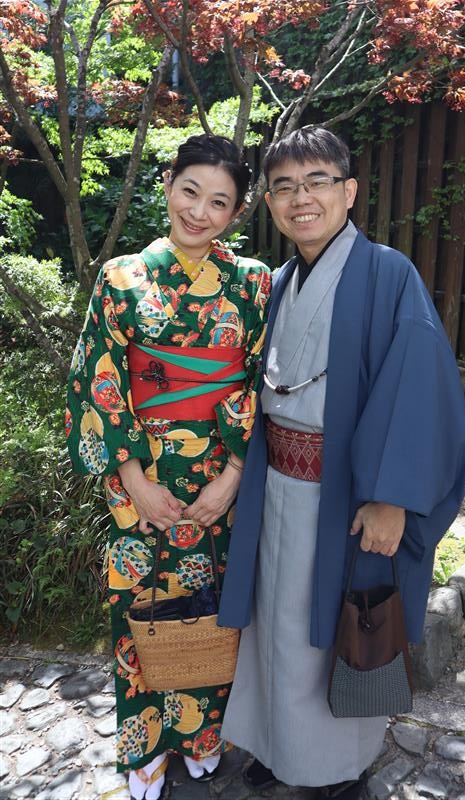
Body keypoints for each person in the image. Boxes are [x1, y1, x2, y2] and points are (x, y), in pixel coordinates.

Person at [218, 126, 465, 800]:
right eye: (283, 187)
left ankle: (338, 768)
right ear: (269, 202)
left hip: (346, 496)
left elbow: (420, 388)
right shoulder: (276, 283)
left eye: (317, 182)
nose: (300, 198)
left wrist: (393, 498)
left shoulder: (388, 274)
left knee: (334, 627)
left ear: (349, 190)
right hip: (274, 482)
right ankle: (277, 744)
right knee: (274, 625)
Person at [65, 134, 270, 800]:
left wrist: (233, 476)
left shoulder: (253, 282)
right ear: (167, 184)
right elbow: (98, 378)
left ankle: (203, 736)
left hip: (222, 483)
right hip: (142, 481)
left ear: (236, 212)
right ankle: (145, 746)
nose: (199, 212)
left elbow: (263, 383)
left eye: (219, 202)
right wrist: (133, 481)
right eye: (190, 191)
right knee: (142, 611)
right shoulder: (121, 277)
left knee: (215, 609)